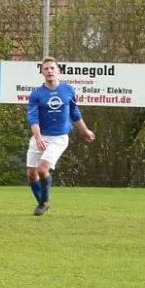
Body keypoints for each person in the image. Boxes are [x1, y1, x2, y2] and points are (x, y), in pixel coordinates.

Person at [27, 56, 95, 216]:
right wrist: (38, 138)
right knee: (31, 174)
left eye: (52, 68)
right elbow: (33, 118)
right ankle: (42, 202)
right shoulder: (36, 94)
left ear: (59, 71)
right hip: (40, 136)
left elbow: (74, 113)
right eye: (46, 69)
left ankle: (43, 203)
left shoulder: (68, 90)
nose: (49, 71)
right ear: (42, 73)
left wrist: (85, 131)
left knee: (42, 169)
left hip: (59, 137)